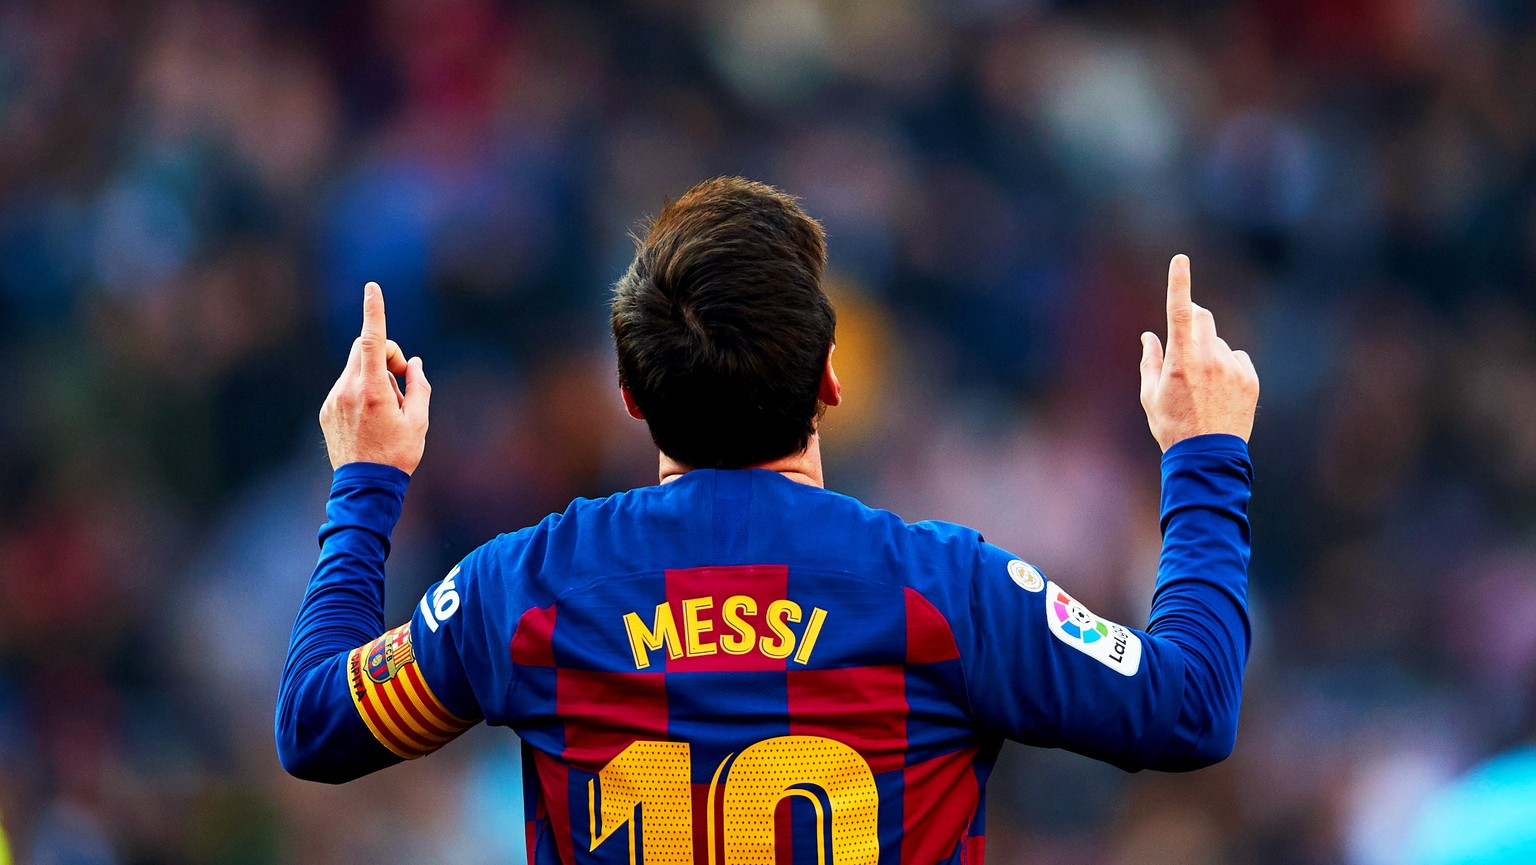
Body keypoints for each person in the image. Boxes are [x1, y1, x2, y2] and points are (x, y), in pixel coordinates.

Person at [275, 177, 1259, 863]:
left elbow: (315, 724)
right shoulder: (945, 591)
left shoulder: (522, 591)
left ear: (631, 395)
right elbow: (1191, 704)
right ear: (832, 381)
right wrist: (1203, 456)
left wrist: (367, 477)